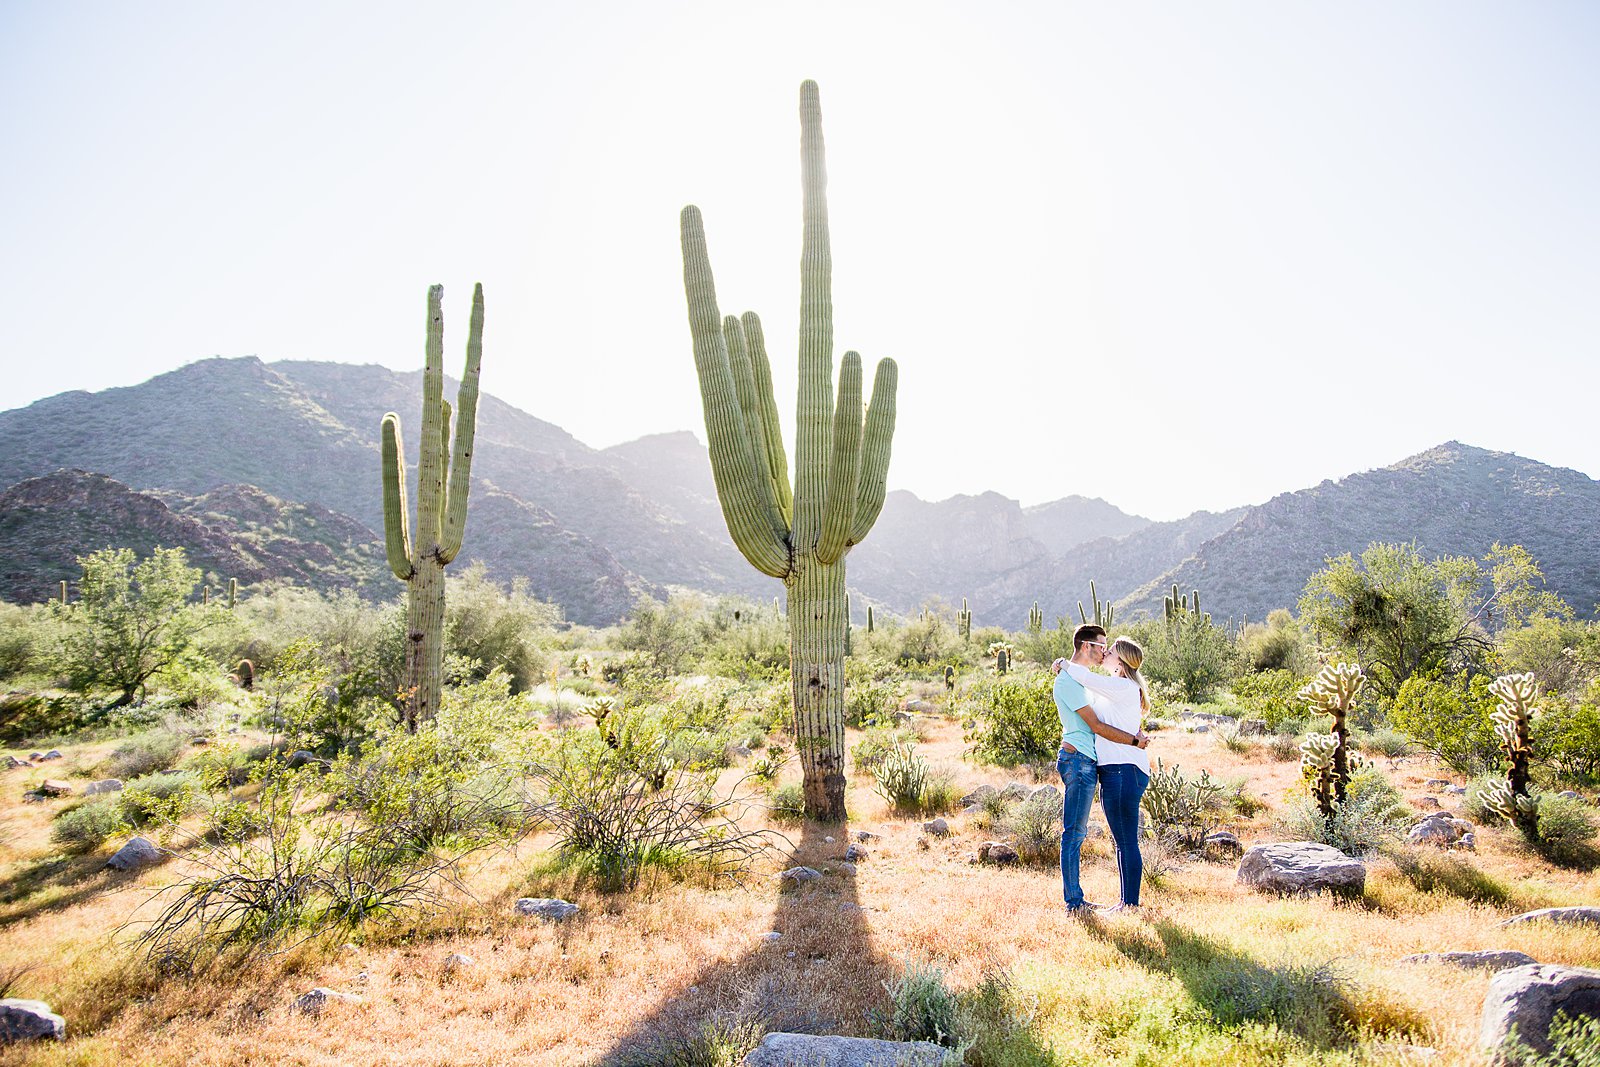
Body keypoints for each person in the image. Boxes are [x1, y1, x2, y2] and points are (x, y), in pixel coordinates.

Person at [1052, 624, 1149, 914]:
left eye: (1111, 649)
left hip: (1120, 769)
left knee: (1123, 840)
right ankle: (1095, 902)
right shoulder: (1110, 687)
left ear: (1120, 661)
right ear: (1086, 646)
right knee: (1112, 838)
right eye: (1101, 646)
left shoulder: (1117, 686)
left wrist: (1062, 664)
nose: (1105, 651)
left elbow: (1098, 723)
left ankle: (1127, 904)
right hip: (1107, 766)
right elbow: (1102, 716)